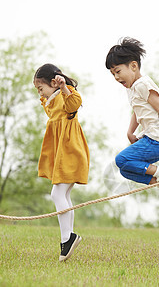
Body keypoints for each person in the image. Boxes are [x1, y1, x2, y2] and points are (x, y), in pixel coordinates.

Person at [105, 37, 159, 210]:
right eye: (113, 73)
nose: (116, 77)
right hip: (150, 138)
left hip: (158, 140)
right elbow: (138, 110)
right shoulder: (132, 88)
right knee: (126, 169)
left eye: (118, 71)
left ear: (133, 66)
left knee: (122, 159)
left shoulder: (143, 84)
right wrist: (130, 132)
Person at [34, 63, 90, 262]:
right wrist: (49, 92)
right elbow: (49, 107)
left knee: (57, 193)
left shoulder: (67, 96)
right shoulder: (50, 101)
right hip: (62, 151)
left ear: (52, 82)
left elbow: (74, 103)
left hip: (70, 150)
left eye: (41, 88)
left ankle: (68, 237)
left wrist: (63, 86)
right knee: (63, 193)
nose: (39, 94)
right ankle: (68, 238)